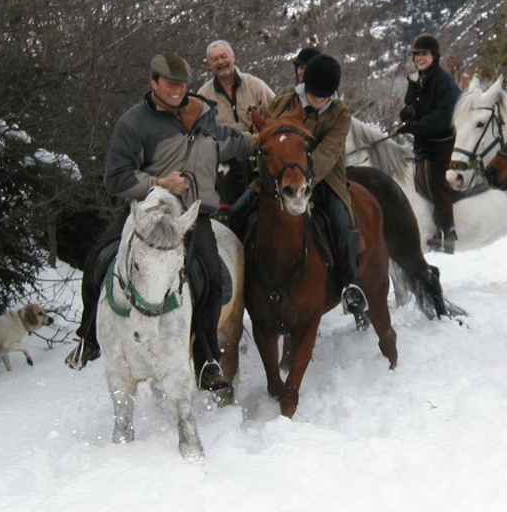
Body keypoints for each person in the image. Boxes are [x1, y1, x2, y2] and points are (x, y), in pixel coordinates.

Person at [66, 53, 255, 391]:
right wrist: (158, 183)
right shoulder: (133, 123)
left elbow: (235, 143)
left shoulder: (204, 117)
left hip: (195, 217)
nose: (176, 90)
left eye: (181, 84)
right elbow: (116, 178)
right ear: (153, 83)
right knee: (100, 258)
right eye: (169, 83)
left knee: (212, 278)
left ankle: (207, 358)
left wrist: (271, 139)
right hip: (147, 215)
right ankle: (88, 336)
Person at [230, 53, 369, 316]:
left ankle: (350, 284)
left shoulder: (340, 113)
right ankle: (238, 282)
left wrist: (304, 179)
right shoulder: (284, 99)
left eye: (324, 97)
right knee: (237, 211)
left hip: (323, 176)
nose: (318, 101)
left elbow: (329, 151)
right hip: (278, 174)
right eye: (315, 95)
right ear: (304, 83)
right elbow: (266, 134)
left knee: (342, 221)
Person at [397, 33, 461, 254]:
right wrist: (408, 112)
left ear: (434, 55)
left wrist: (416, 126)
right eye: (416, 55)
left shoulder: (444, 82)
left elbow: (444, 116)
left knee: (437, 181)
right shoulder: (417, 79)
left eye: (423, 54)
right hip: (424, 144)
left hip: (443, 144)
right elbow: (411, 105)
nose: (419, 59)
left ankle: (447, 231)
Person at [197, 40, 275, 219]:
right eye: (214, 59)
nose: (220, 62)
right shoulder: (203, 95)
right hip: (226, 158)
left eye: (224, 56)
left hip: (258, 150)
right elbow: (200, 133)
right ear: (209, 64)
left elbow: (276, 114)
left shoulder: (255, 85)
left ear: (234, 57)